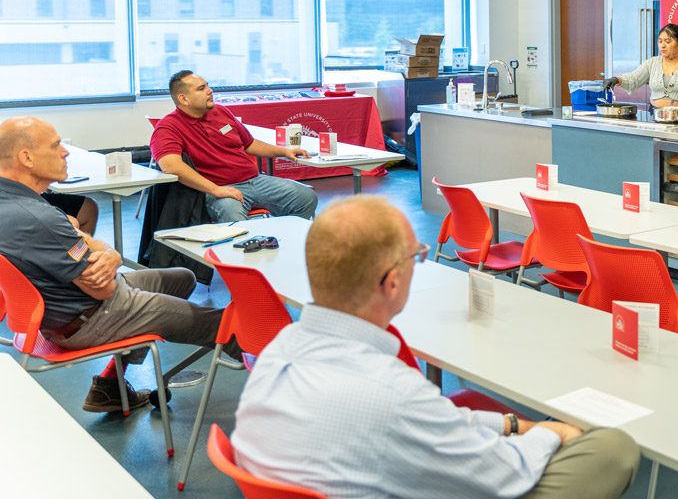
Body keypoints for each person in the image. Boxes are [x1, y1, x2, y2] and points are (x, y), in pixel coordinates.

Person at [233, 195, 641, 499]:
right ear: (391, 282)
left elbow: (430, 422)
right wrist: (550, 433)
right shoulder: (389, 392)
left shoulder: (281, 349)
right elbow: (507, 472)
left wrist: (516, 425)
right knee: (612, 448)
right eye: (417, 256)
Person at [0, 117, 236, 412]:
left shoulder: (15, 199)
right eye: (56, 145)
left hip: (59, 314)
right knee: (230, 324)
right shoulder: (39, 219)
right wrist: (92, 247)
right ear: (26, 157)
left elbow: (80, 241)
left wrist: (107, 253)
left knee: (183, 279)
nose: (65, 152)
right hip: (95, 315)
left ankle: (110, 385)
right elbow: (103, 289)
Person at [150, 70, 318, 223]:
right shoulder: (168, 127)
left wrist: (284, 151)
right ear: (183, 99)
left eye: (208, 86)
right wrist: (216, 190)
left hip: (255, 180)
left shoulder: (221, 112)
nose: (210, 91)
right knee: (232, 214)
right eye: (201, 88)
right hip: (217, 188)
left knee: (306, 198)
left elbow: (250, 144)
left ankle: (279, 241)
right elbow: (171, 166)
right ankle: (243, 253)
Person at [602, 23, 678, 114]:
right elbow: (633, 79)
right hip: (655, 116)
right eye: (660, 41)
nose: (663, 45)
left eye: (668, 42)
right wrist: (617, 80)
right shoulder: (652, 63)